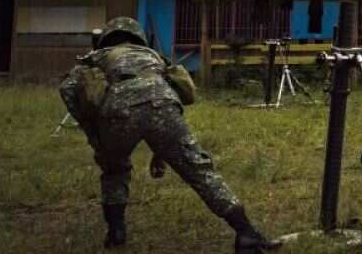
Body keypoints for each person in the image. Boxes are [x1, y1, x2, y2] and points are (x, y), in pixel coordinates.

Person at [58, 17, 279, 251]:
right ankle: (246, 232)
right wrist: (161, 151)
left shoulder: (98, 57)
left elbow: (68, 87)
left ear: (106, 38)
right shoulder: (153, 56)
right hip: (163, 105)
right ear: (138, 37)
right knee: (198, 169)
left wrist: (93, 130)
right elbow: (158, 104)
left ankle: (116, 231)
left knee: (115, 169)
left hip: (117, 112)